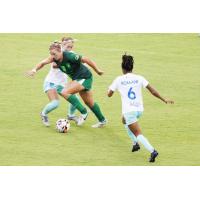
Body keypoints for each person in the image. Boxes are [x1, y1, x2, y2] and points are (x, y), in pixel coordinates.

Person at [107, 54, 174, 162]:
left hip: (129, 111)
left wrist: (110, 90)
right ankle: (135, 144)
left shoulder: (119, 79)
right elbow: (152, 91)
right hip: (139, 110)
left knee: (138, 133)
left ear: (122, 68)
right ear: (132, 67)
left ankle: (152, 151)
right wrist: (164, 99)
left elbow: (109, 94)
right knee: (124, 120)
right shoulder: (139, 78)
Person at [27, 42, 107, 128]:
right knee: (89, 102)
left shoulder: (70, 56)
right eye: (51, 54)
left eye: (54, 54)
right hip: (77, 79)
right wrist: (34, 70)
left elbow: (86, 59)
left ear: (60, 51)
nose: (53, 56)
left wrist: (97, 70)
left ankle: (84, 112)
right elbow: (43, 63)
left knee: (64, 91)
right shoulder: (54, 58)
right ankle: (102, 120)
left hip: (85, 77)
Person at [39, 38, 79, 127]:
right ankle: (43, 114)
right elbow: (54, 65)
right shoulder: (56, 53)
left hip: (62, 84)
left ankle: (71, 115)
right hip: (51, 83)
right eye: (68, 46)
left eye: (71, 46)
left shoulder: (72, 54)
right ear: (63, 45)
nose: (70, 48)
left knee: (75, 99)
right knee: (55, 103)